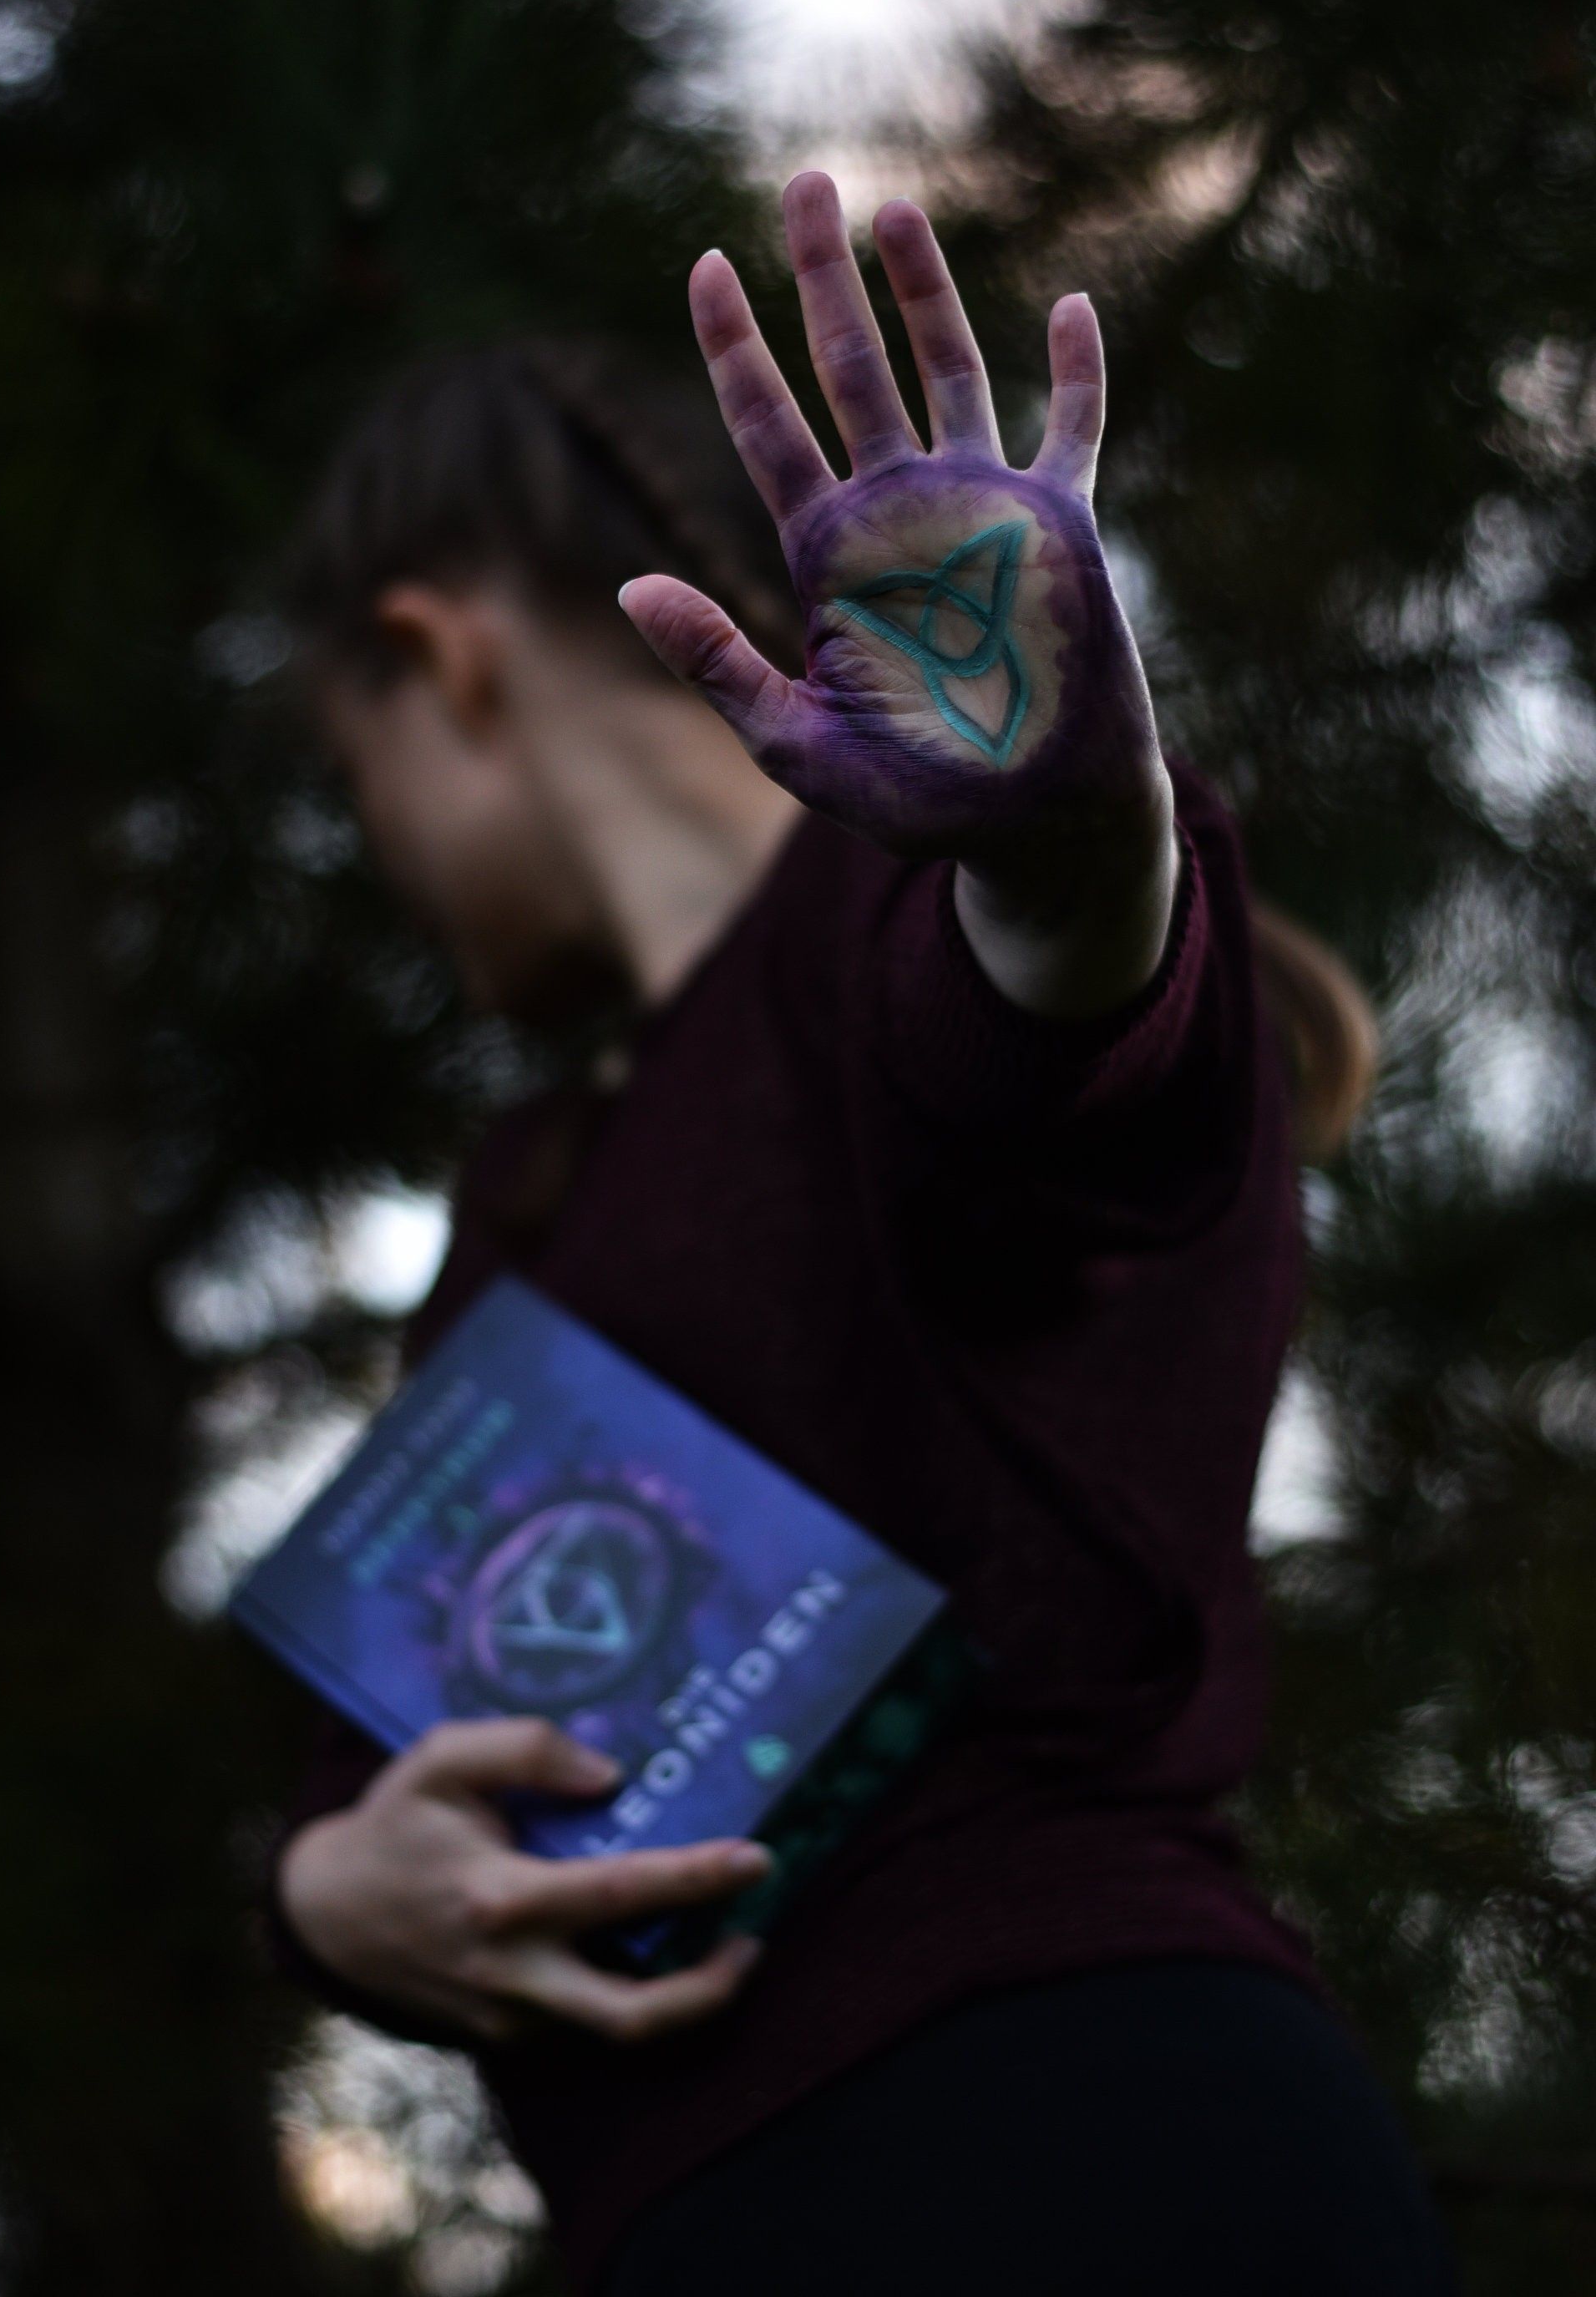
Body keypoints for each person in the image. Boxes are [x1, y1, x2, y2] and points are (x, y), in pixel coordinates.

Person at [268, 172, 1449, 2294]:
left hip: (1065, 2131)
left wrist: (1072, 856)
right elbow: (398, 1733)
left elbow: (1042, 1050)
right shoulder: (522, 1200)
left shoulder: (887, 924)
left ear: (436, 662)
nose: (390, 866)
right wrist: (326, 1898)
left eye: (359, 781)